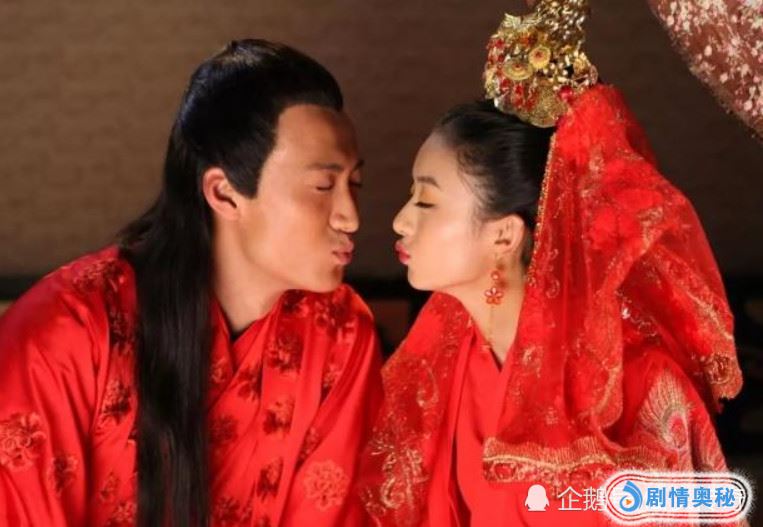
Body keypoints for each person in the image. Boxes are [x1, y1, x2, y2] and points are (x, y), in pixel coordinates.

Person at [357, 1, 743, 525]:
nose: (401, 221)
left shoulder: (636, 382)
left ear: (504, 234)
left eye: (426, 201)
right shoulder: (443, 364)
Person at [0, 39, 382, 526]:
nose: (350, 216)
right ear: (224, 193)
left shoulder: (340, 333)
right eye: (324, 187)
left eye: (355, 185)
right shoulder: (65, 331)